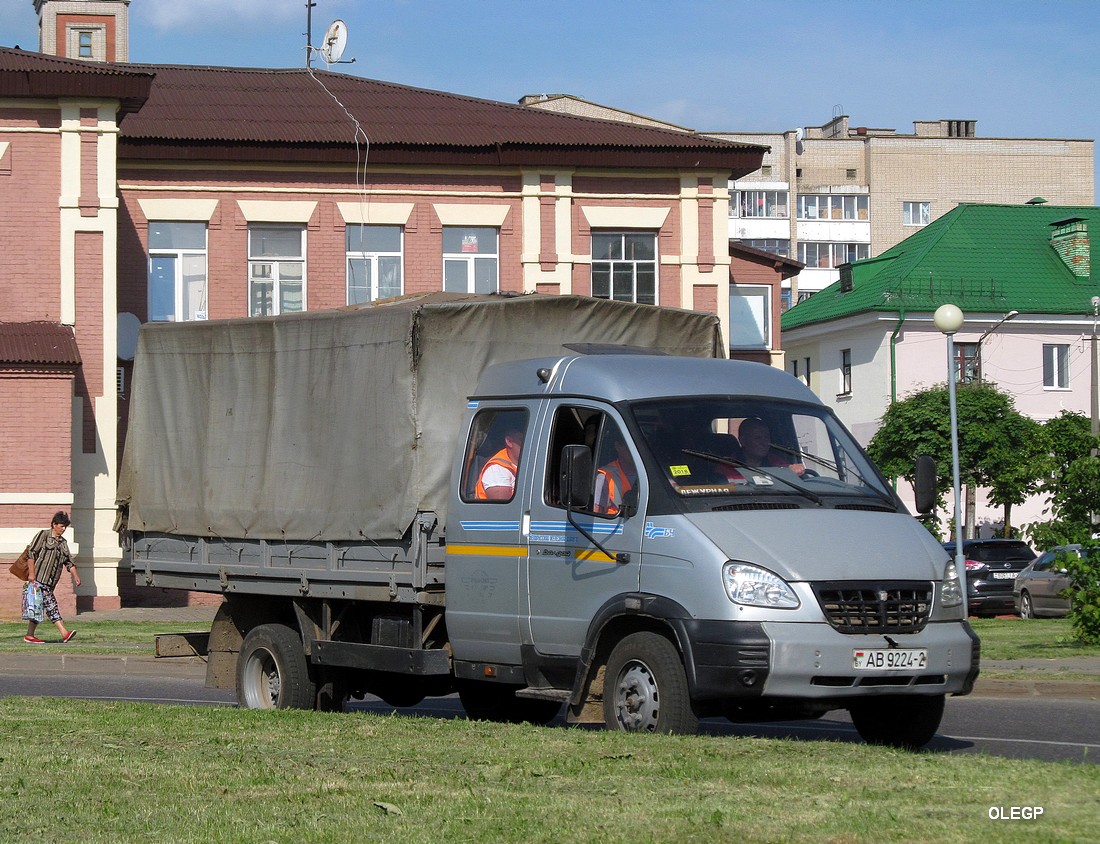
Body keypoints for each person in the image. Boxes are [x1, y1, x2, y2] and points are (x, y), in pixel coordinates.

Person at [23, 511, 80, 644]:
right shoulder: (43, 535)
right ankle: (64, 633)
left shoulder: (63, 543)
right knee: (51, 604)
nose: (63, 529)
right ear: (54, 524)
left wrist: (76, 576)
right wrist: (31, 574)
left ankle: (29, 635)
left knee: (39, 608)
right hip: (38, 580)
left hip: (50, 582)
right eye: (61, 526)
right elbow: (31, 554)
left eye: (65, 526)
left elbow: (69, 562)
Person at [737, 417, 805, 476]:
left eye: (766, 438)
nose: (764, 443)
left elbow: (787, 470)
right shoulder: (729, 464)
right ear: (743, 440)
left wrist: (796, 469)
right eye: (757, 438)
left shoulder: (776, 462)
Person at [474, 429, 524, 500]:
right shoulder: (497, 469)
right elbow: (502, 509)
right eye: (522, 440)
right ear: (509, 441)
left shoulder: (528, 464)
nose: (528, 444)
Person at [594, 435, 637, 515]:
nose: (636, 451)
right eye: (631, 445)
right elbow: (595, 517)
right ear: (618, 446)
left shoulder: (655, 477)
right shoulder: (604, 477)